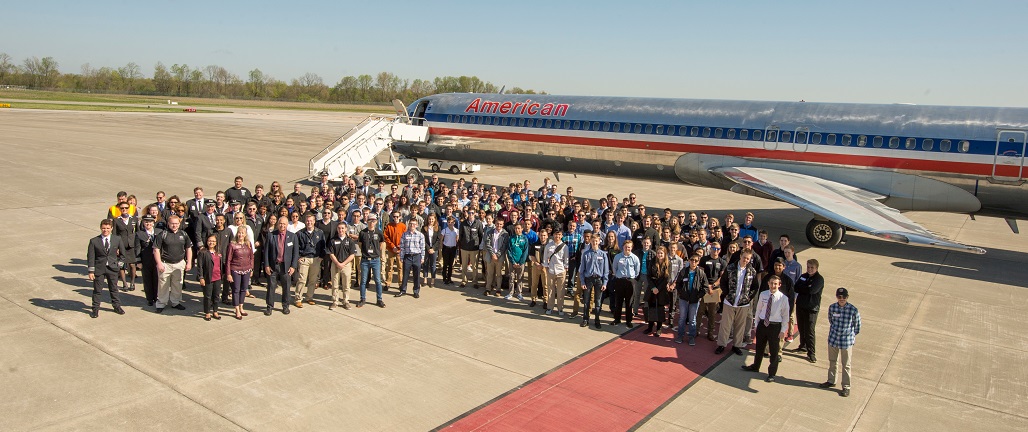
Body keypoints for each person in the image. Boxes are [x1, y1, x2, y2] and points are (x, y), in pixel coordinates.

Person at [742, 275, 791, 382]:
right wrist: (756, 324)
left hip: (775, 326)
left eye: (775, 284)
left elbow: (785, 316)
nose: (773, 286)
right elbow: (759, 310)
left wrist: (783, 330)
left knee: (774, 351)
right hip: (763, 324)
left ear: (779, 285)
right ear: (768, 283)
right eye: (771, 283)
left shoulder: (783, 299)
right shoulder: (763, 294)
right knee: (759, 348)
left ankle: (772, 374)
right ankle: (755, 366)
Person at [716, 250, 759, 356]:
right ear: (740, 256)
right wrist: (726, 294)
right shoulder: (730, 268)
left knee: (740, 325)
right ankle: (722, 345)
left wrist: (749, 298)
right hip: (729, 302)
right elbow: (723, 282)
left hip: (743, 304)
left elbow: (755, 287)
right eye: (744, 257)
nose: (745, 260)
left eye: (748, 259)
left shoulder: (752, 271)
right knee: (725, 325)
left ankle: (736, 345)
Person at [821, 287, 861, 397]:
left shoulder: (853, 310)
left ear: (847, 297)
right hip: (833, 339)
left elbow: (857, 326)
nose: (841, 299)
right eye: (839, 297)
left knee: (846, 365)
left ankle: (846, 386)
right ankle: (831, 381)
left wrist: (850, 336)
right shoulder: (832, 307)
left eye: (844, 297)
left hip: (846, 342)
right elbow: (831, 320)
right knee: (832, 361)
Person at [86, 219, 126, 318]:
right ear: (100, 228)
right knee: (97, 290)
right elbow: (91, 257)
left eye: (108, 228)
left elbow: (123, 255)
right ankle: (95, 309)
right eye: (103, 228)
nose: (105, 230)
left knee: (114, 289)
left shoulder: (117, 239)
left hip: (112, 268)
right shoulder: (94, 241)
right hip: (99, 269)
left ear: (111, 228)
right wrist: (91, 271)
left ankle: (116, 306)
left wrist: (118, 265)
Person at [263, 217, 299, 316]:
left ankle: (285, 306)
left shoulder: (292, 236)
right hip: (273, 266)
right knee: (271, 287)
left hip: (286, 267)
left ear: (287, 225)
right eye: (280, 224)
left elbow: (295, 253)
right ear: (277, 224)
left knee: (286, 287)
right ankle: (269, 307)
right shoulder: (271, 235)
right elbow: (266, 252)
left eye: (284, 224)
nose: (282, 226)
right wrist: (266, 265)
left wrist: (293, 266)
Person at [791, 259, 825, 363]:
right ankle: (802, 346)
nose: (810, 269)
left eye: (812, 267)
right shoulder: (803, 276)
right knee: (801, 327)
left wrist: (804, 287)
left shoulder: (819, 279)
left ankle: (811, 353)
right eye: (808, 267)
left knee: (810, 330)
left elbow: (812, 290)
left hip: (812, 308)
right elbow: (796, 288)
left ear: (816, 268)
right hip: (801, 306)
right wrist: (806, 287)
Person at [674, 253, 710, 345]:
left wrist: (698, 296)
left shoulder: (701, 273)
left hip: (694, 300)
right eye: (692, 260)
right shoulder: (684, 271)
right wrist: (681, 292)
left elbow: (705, 287)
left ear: (698, 262)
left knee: (692, 319)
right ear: (689, 261)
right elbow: (678, 283)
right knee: (682, 318)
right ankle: (680, 335)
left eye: (696, 261)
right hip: (684, 299)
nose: (693, 262)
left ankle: (691, 337)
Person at [295, 213, 326, 308]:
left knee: (313, 280)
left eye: (311, 220)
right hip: (304, 259)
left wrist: (321, 257)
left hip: (316, 259)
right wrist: (298, 257)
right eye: (307, 221)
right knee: (302, 280)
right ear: (305, 222)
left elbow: (323, 246)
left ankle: (309, 297)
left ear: (314, 221)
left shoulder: (319, 232)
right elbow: (296, 247)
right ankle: (298, 298)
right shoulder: (300, 233)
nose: (309, 222)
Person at [578, 234, 608, 329]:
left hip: (598, 280)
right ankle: (585, 319)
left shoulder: (603, 254)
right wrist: (582, 282)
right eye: (593, 241)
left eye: (596, 241)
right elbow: (581, 270)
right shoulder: (586, 254)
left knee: (598, 301)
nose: (595, 243)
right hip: (588, 279)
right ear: (590, 242)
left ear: (599, 242)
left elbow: (606, 270)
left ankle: (597, 320)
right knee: (586, 301)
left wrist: (605, 283)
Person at [609, 240, 640, 327]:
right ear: (623, 247)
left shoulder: (635, 258)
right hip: (619, 280)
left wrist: (632, 278)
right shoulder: (618, 257)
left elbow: (637, 271)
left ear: (632, 247)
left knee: (629, 302)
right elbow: (614, 268)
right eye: (626, 247)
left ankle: (628, 320)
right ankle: (617, 319)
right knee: (618, 301)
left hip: (630, 281)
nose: (627, 249)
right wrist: (618, 275)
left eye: (629, 247)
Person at [225, 227, 254, 320]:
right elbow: (228, 260)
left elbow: (251, 257)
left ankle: (241, 306)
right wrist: (228, 273)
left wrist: (251, 269)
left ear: (245, 234)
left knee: (244, 289)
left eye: (243, 233)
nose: (241, 235)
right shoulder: (232, 245)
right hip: (235, 269)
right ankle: (236, 309)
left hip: (246, 269)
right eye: (239, 233)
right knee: (236, 289)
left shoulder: (248, 244)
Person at [358, 213, 386, 308]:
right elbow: (360, 244)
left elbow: (381, 243)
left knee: (378, 281)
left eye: (373, 221)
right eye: (370, 220)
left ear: (376, 221)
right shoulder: (362, 232)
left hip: (375, 260)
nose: (371, 222)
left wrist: (376, 252)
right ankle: (362, 299)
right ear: (367, 221)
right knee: (363, 281)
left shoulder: (379, 232)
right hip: (365, 260)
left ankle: (379, 299)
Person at [327, 222, 356, 310]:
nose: (341, 230)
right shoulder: (332, 240)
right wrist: (337, 263)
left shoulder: (350, 241)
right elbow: (331, 253)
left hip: (346, 265)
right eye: (339, 228)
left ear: (346, 229)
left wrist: (343, 264)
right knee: (335, 284)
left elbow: (352, 255)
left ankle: (345, 301)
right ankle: (335, 301)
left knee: (346, 284)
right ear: (337, 229)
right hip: (335, 264)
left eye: (343, 228)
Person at [644, 246, 672, 336]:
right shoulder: (652, 261)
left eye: (661, 253)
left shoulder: (668, 263)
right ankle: (650, 327)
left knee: (660, 308)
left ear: (665, 254)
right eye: (658, 253)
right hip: (652, 288)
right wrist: (653, 288)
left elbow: (667, 278)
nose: (659, 255)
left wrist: (658, 289)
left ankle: (659, 328)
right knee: (651, 307)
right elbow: (648, 276)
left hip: (661, 289)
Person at [135, 215, 162, 306]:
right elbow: (137, 249)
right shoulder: (139, 234)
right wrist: (138, 261)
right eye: (146, 222)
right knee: (147, 280)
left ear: (153, 223)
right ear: (143, 223)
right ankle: (150, 298)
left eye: (150, 222)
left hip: (158, 260)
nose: (148, 224)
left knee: (157, 279)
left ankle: (157, 296)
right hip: (146, 260)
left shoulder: (159, 232)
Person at [396, 218, 426, 298]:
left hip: (417, 256)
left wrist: (422, 258)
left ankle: (416, 291)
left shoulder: (420, 235)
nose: (412, 225)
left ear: (416, 225)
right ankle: (403, 290)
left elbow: (422, 247)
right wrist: (401, 257)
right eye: (410, 224)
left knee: (416, 275)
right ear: (408, 225)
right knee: (405, 275)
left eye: (414, 224)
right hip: (407, 256)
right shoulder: (405, 234)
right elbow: (402, 247)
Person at [196, 234, 223, 321]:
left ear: (216, 243)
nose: (211, 243)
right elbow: (199, 266)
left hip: (218, 277)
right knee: (207, 296)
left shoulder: (218, 252)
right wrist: (201, 277)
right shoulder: (202, 252)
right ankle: (207, 312)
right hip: (208, 278)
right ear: (207, 241)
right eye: (210, 241)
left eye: (213, 241)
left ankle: (215, 311)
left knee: (216, 296)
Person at [112, 203, 138, 291]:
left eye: (126, 208)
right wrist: (116, 247)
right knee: (122, 265)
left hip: (131, 245)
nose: (124, 209)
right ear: (119, 209)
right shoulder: (116, 220)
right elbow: (114, 235)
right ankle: (124, 283)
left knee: (132, 264)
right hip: (121, 245)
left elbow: (137, 232)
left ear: (128, 208)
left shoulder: (133, 219)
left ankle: (132, 282)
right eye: (122, 208)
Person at [542, 230, 568, 315]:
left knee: (561, 291)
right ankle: (550, 307)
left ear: (561, 236)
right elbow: (545, 258)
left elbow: (566, 259)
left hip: (561, 270)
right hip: (551, 270)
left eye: (559, 235)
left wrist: (565, 269)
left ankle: (560, 308)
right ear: (553, 235)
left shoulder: (564, 247)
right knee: (550, 290)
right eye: (556, 234)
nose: (557, 236)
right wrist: (546, 267)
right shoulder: (548, 246)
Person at [504, 222, 530, 301]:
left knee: (520, 278)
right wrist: (512, 261)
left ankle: (519, 293)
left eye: (519, 228)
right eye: (516, 228)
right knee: (511, 278)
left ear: (522, 229)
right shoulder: (511, 238)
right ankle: (510, 292)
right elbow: (509, 250)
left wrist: (521, 262)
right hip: (513, 262)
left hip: (521, 262)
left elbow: (525, 251)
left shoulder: (525, 239)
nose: (517, 230)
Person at [483, 218, 508, 296]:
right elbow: (487, 243)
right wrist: (492, 254)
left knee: (499, 274)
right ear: (495, 223)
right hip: (490, 256)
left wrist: (497, 255)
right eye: (497, 224)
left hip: (499, 257)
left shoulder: (505, 234)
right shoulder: (490, 232)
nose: (499, 225)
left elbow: (504, 246)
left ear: (503, 224)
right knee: (490, 273)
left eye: (500, 224)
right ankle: (488, 288)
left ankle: (498, 289)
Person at [458, 210, 483, 288]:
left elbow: (481, 235)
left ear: (475, 214)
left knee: (475, 266)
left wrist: (477, 244)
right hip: (464, 247)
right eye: (469, 213)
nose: (470, 214)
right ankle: (464, 280)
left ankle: (475, 281)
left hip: (474, 248)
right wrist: (462, 243)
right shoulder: (463, 223)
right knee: (464, 265)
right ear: (467, 214)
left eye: (472, 213)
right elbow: (460, 234)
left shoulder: (478, 223)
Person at [423, 214, 443, 287]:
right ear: (427, 220)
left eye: (432, 219)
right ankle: (425, 278)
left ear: (435, 220)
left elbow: (438, 240)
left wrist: (433, 248)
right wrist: (428, 248)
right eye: (429, 219)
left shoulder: (438, 228)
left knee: (433, 264)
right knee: (425, 263)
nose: (431, 220)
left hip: (434, 249)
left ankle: (432, 279)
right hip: (426, 248)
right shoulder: (424, 228)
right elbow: (423, 240)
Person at [439, 215, 458, 285]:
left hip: (453, 248)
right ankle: (444, 277)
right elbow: (441, 239)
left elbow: (457, 240)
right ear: (447, 223)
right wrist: (441, 247)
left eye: (452, 222)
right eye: (449, 222)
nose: (450, 223)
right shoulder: (444, 230)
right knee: (445, 264)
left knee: (451, 264)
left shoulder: (456, 231)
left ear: (454, 223)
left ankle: (449, 277)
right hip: (446, 248)